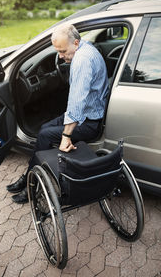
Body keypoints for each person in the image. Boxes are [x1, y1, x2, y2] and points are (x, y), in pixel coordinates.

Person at [7, 23, 109, 204]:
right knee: (45, 128)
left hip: (89, 121)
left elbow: (77, 102)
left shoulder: (82, 60)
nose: (61, 57)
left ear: (76, 43)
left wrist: (66, 136)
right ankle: (29, 174)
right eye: (58, 52)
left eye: (63, 51)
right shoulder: (86, 47)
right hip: (86, 113)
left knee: (46, 135)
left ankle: (33, 186)